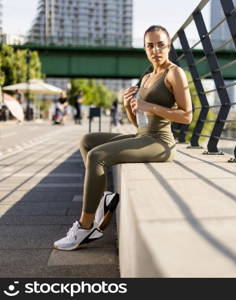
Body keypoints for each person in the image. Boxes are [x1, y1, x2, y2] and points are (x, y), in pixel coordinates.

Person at [54, 25, 193, 251]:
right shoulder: (147, 76)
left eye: (160, 44)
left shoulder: (174, 72)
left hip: (160, 143)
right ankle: (103, 198)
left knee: (97, 156)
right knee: (88, 141)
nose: (156, 50)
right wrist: (129, 105)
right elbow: (140, 123)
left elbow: (187, 116)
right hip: (142, 135)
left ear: (168, 46)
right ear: (145, 48)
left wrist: (151, 106)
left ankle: (85, 226)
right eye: (150, 45)